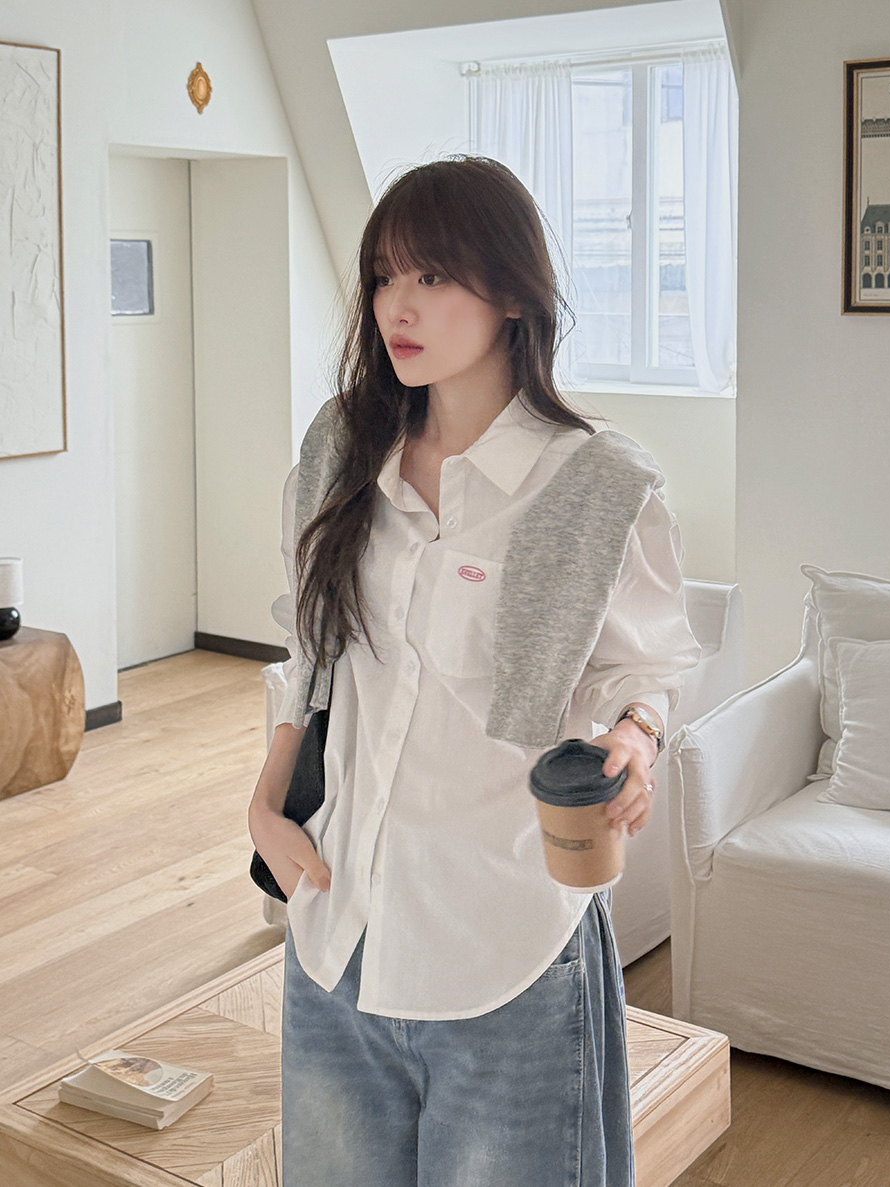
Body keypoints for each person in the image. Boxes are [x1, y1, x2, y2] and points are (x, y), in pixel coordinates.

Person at [248, 156, 700, 1187]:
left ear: (513, 295)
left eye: (434, 276)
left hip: (507, 953)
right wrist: (265, 807)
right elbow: (309, 651)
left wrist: (634, 735)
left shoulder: (597, 482)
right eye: (384, 276)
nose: (396, 307)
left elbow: (646, 666)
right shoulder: (339, 450)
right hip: (335, 940)